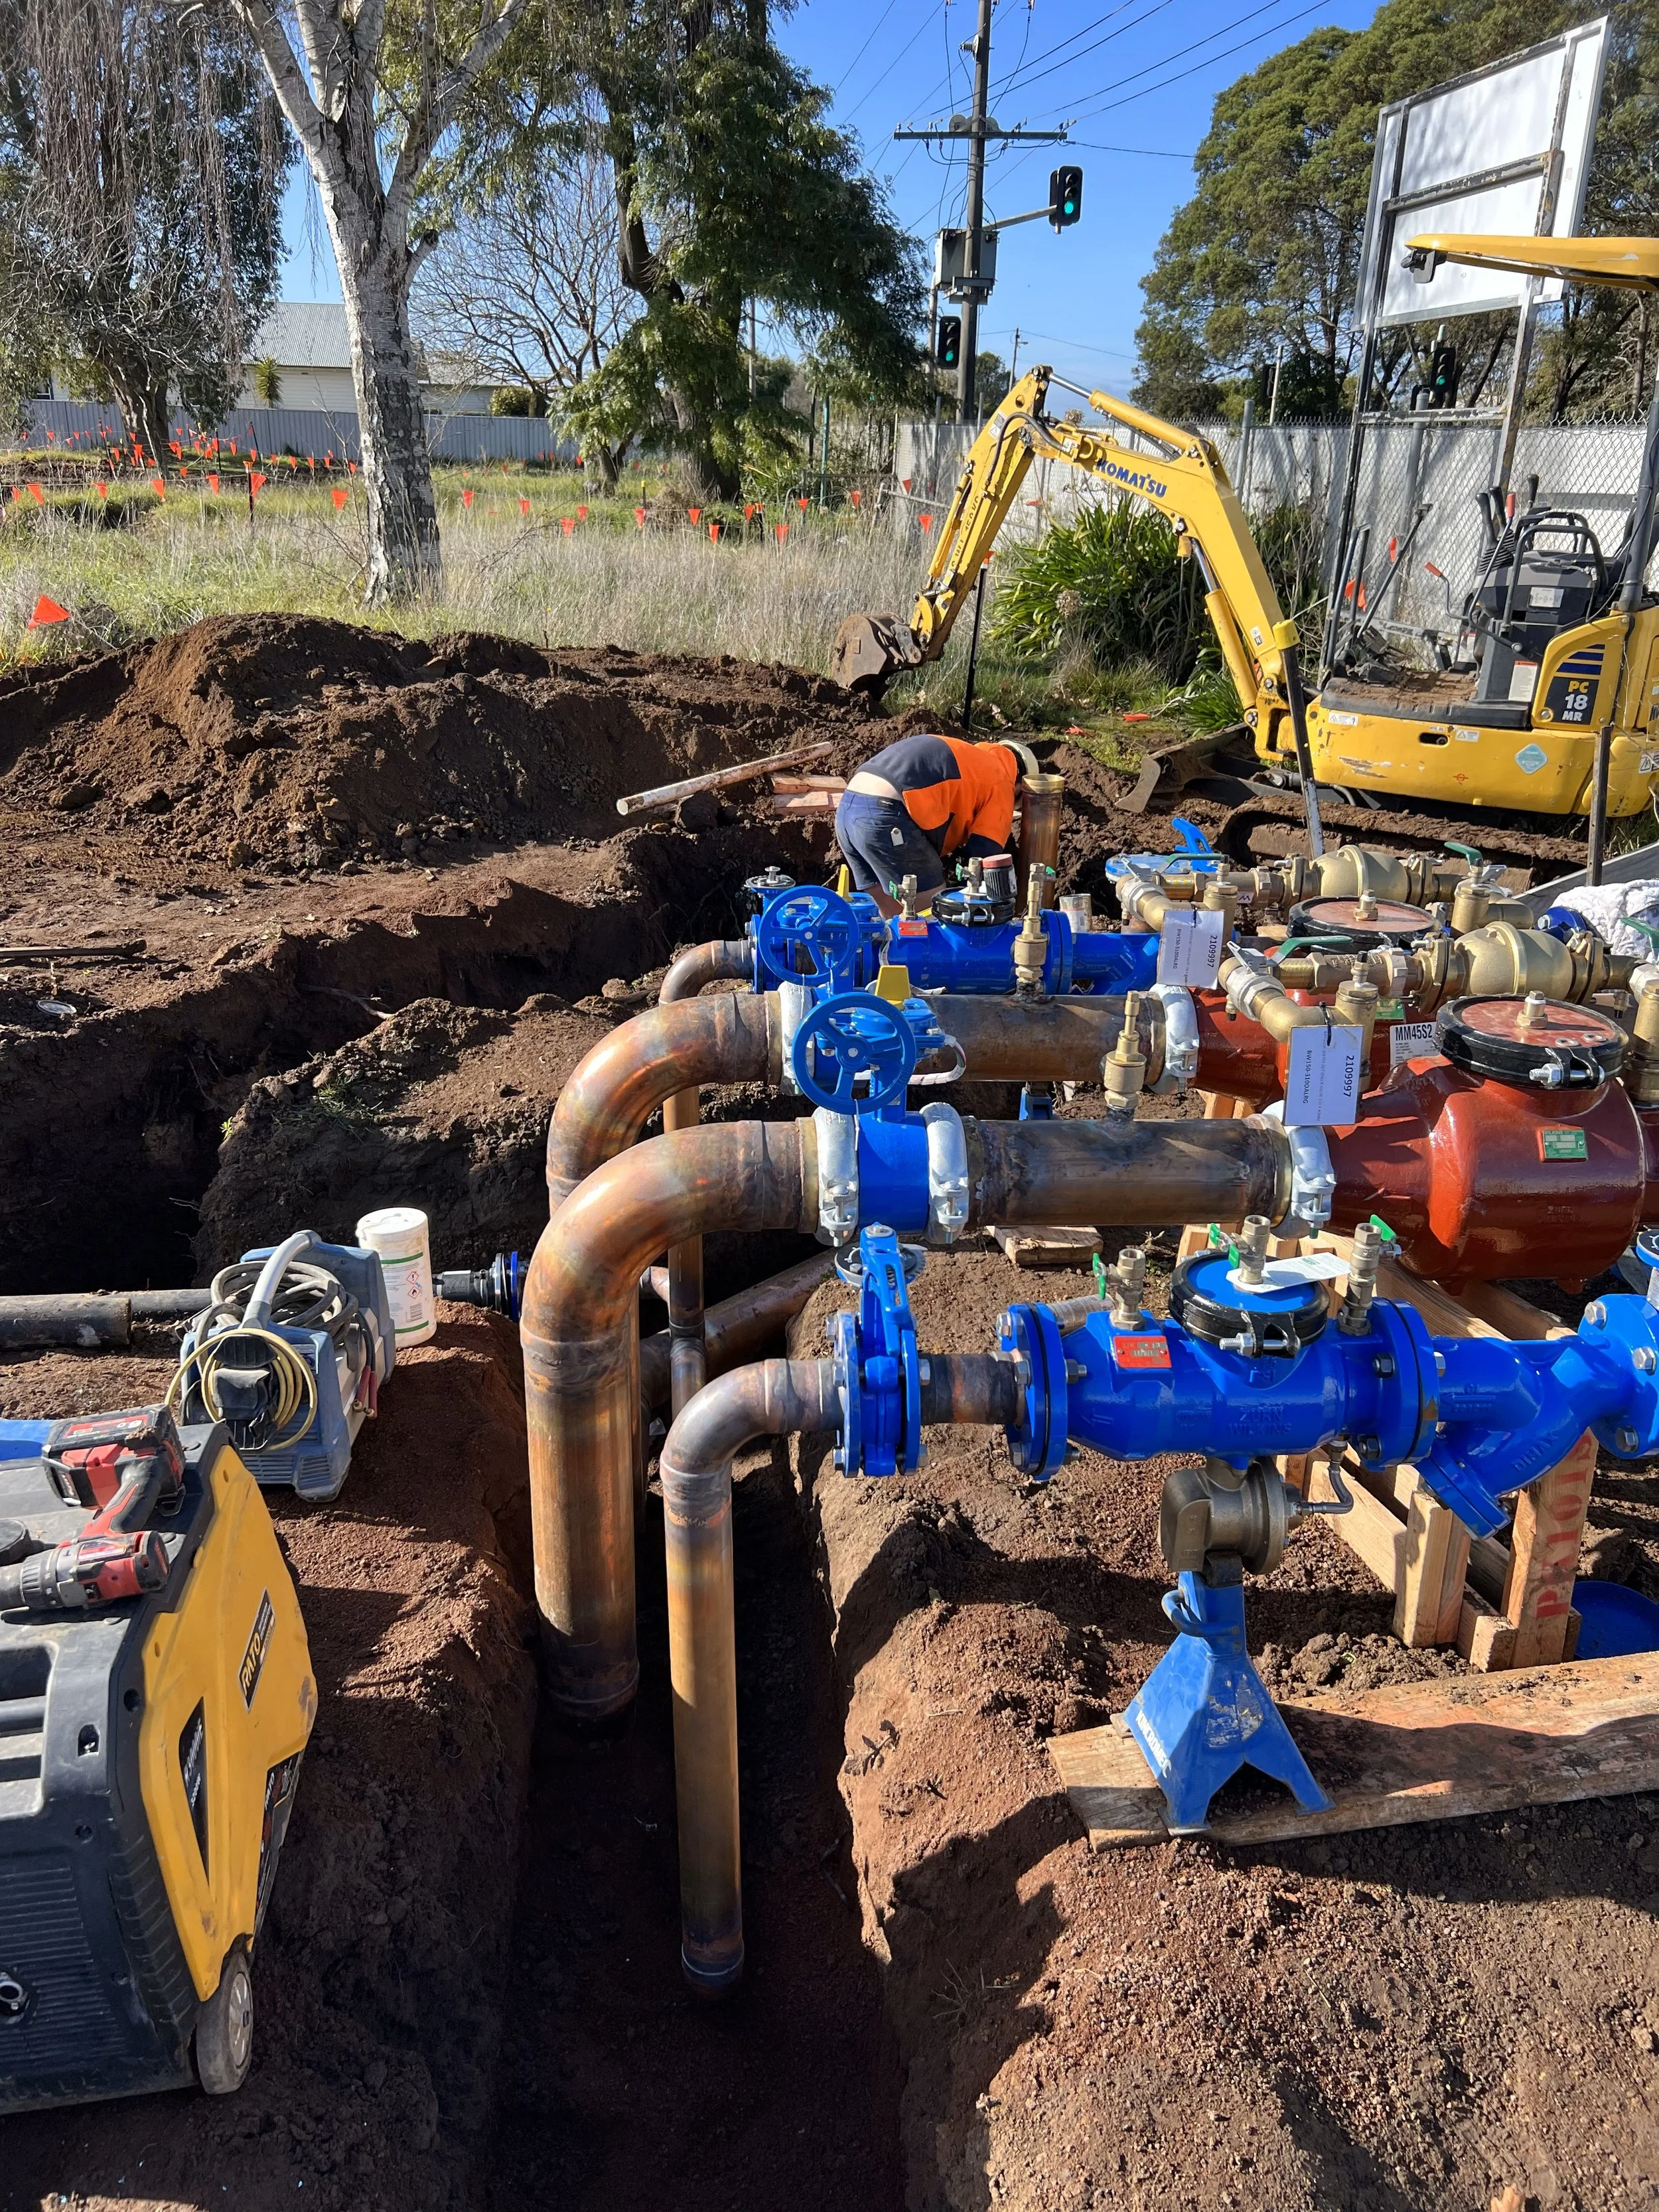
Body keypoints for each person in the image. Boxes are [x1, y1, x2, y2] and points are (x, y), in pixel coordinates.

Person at [833, 733, 1039, 915]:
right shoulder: (1003, 781)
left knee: (893, 920)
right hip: (886, 814)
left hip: (848, 810)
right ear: (1020, 784)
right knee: (934, 917)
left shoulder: (972, 758)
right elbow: (984, 854)